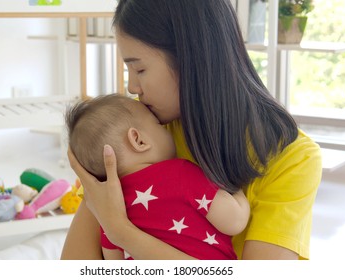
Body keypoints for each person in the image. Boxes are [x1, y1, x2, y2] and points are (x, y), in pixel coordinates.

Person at [61, 0, 322, 260]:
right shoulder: (144, 137)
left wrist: (122, 232)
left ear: (192, 58)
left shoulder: (293, 158)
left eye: (139, 68)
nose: (132, 87)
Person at [65, 93, 250, 260]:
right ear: (139, 140)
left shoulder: (107, 209)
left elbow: (114, 263)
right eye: (159, 124)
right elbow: (234, 221)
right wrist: (237, 189)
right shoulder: (180, 174)